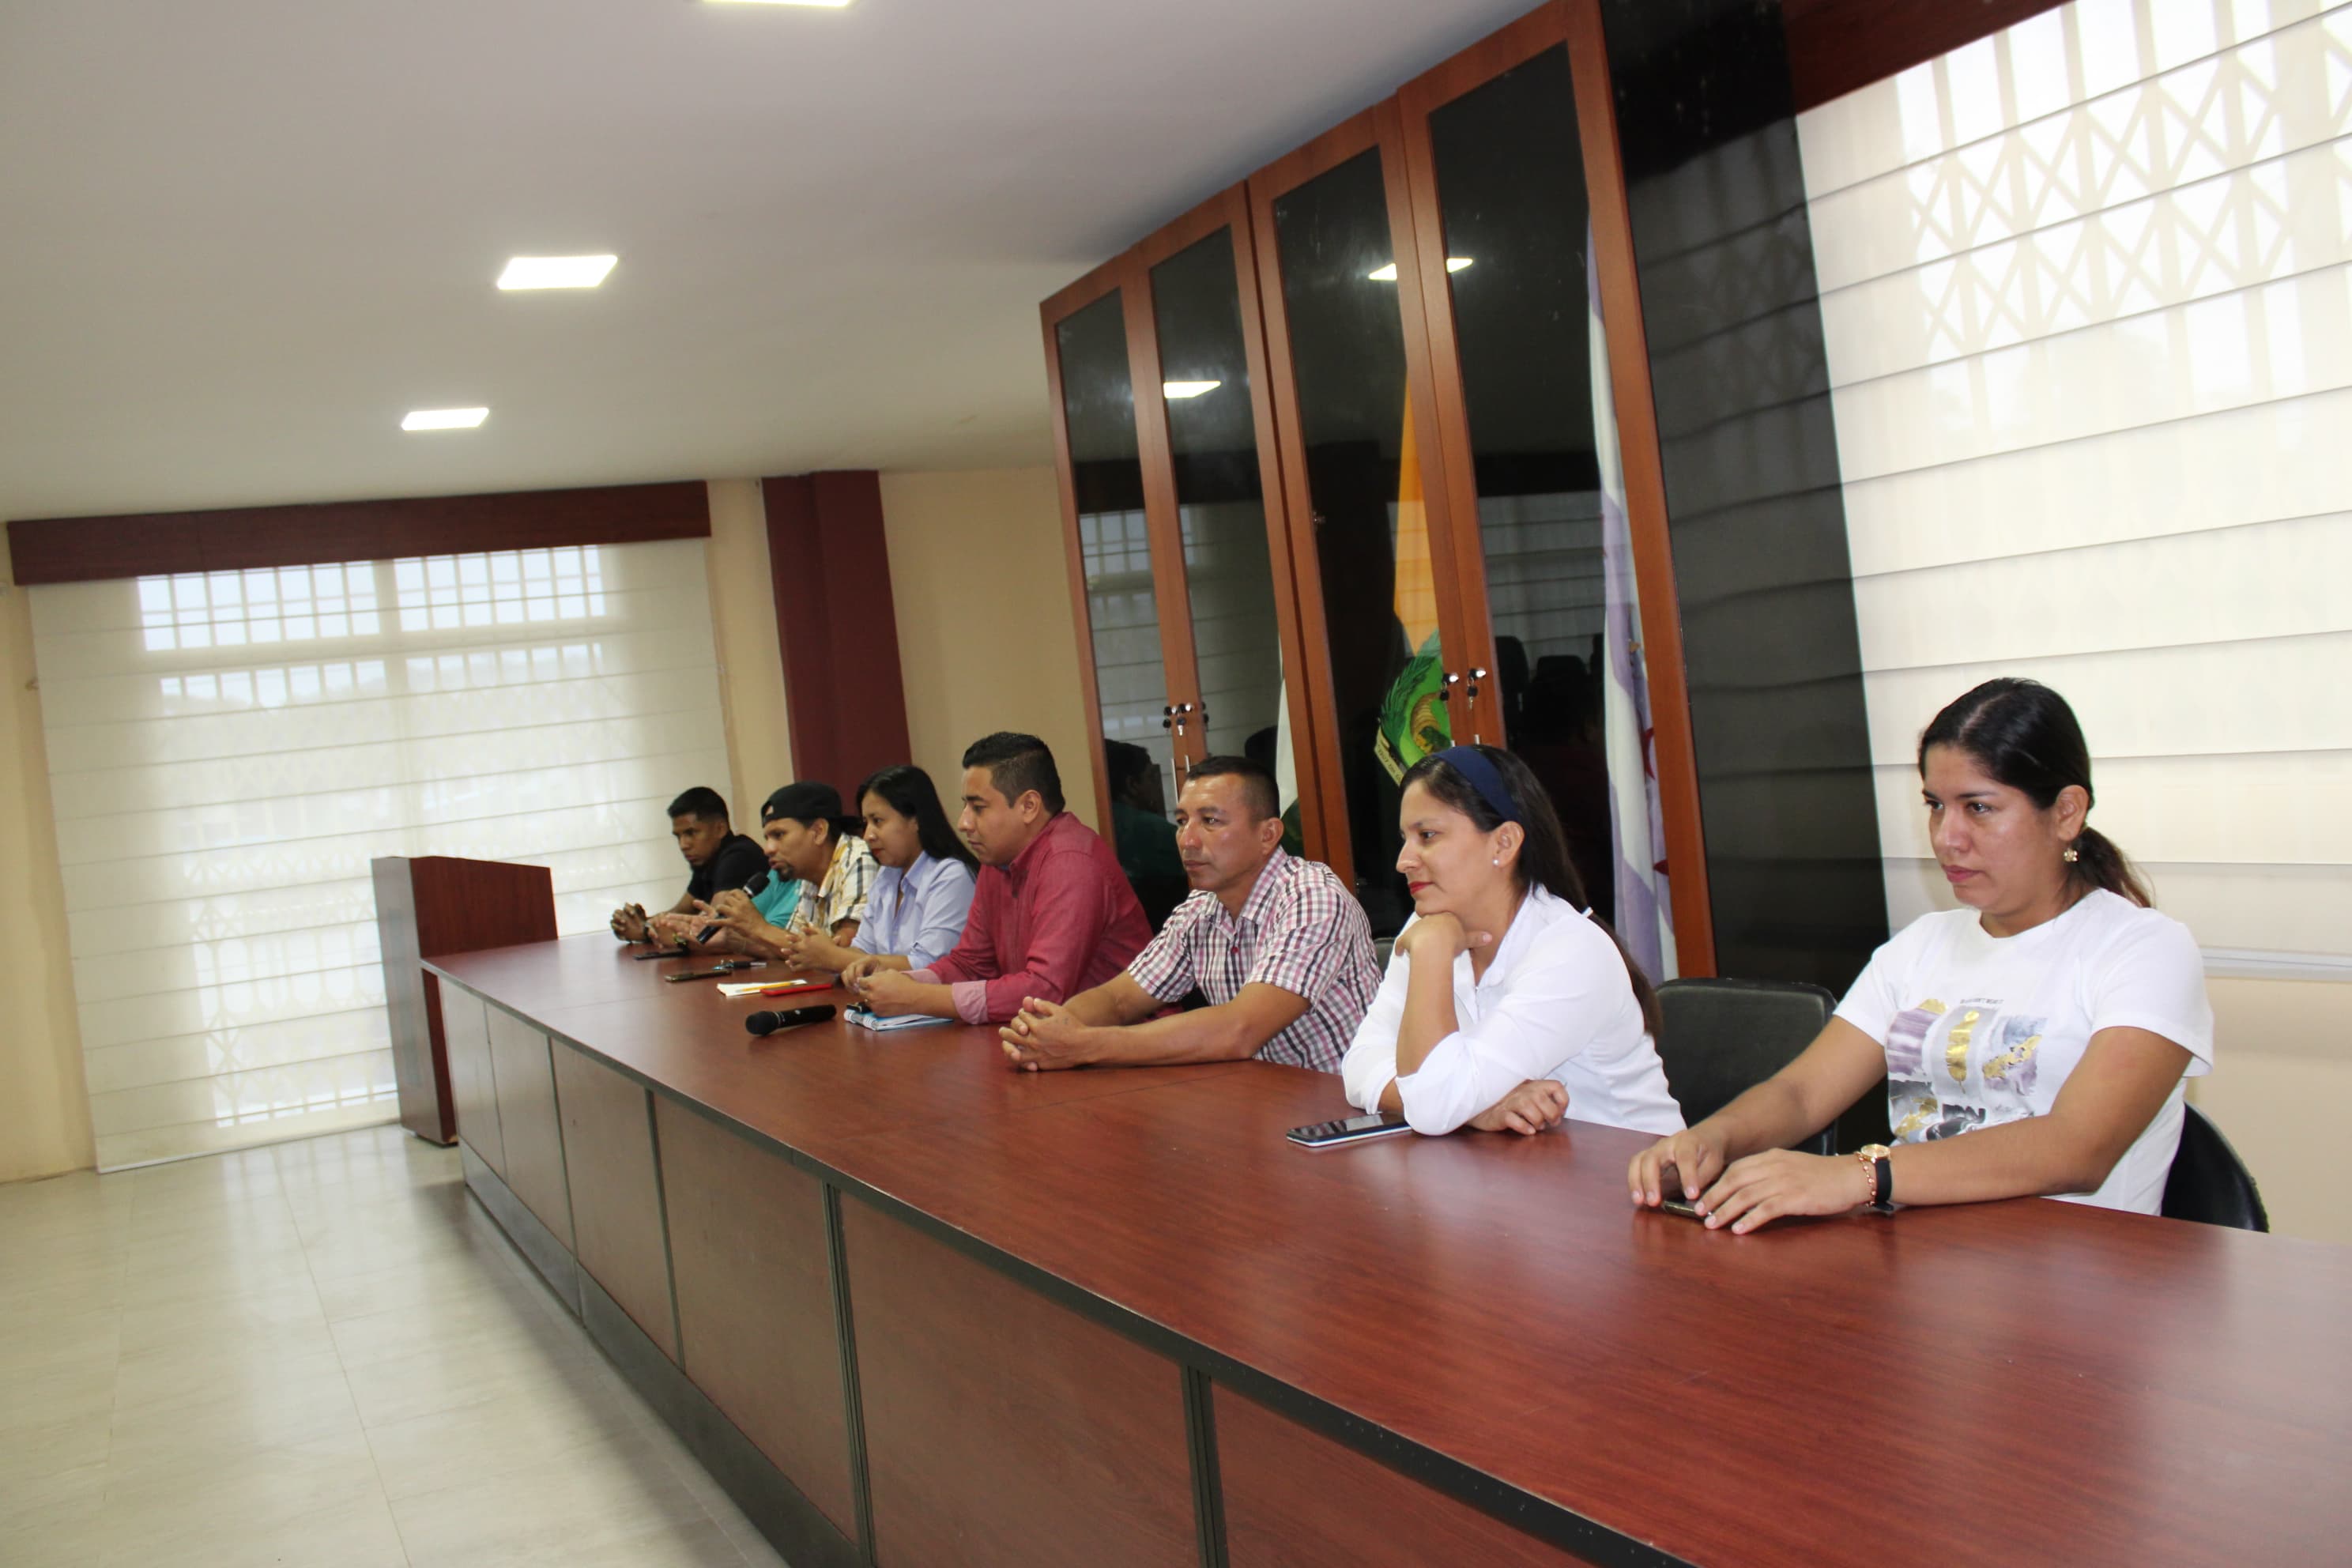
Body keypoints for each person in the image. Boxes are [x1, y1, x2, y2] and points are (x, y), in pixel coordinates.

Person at [1627, 677, 2214, 1232]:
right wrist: (1715, 1138)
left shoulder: (2145, 949)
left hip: (2081, 1278)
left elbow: (2078, 1147)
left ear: (2066, 812)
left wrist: (1861, 1176)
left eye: (1978, 807)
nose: (1946, 837)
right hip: (1921, 1260)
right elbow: (1802, 1094)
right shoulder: (1921, 946)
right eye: (1935, 805)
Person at [1338, 744, 1683, 1137]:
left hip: (1631, 1168)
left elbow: (1432, 1105)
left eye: (1427, 836)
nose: (1404, 861)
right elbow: (1360, 1064)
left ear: (1503, 843)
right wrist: (1477, 1107)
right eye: (1406, 838)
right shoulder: (1430, 925)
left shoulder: (1570, 950)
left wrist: (1456, 1100)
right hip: (1519, 1164)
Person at [999, 756, 1379, 1072]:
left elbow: (1240, 1029)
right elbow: (1119, 999)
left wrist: (1085, 1045)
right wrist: (1051, 1029)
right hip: (1263, 1100)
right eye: (1182, 821)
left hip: (1348, 1109)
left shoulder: (1312, 898)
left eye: (1211, 821)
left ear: (1268, 835)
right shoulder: (1199, 909)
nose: (1188, 840)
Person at [844, 732, 1150, 1023]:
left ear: (1029, 806)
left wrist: (918, 998)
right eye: (965, 806)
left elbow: (1044, 990)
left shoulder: (1071, 862)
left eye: (978, 807)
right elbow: (970, 964)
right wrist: (902, 982)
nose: (964, 822)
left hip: (1122, 1043)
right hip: (1045, 1039)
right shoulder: (997, 860)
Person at [794, 765, 978, 975]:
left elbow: (928, 965)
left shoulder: (950, 876)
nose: (868, 835)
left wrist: (834, 957)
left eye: (878, 821)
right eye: (866, 823)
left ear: (916, 819)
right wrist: (828, 952)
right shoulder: (887, 874)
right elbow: (863, 948)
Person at [693, 782, 877, 966]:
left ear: (818, 831)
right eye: (767, 838)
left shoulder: (858, 859)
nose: (768, 849)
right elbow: (792, 946)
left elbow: (843, 954)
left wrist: (758, 927)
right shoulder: (810, 876)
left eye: (779, 835)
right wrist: (733, 938)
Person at [610, 786, 766, 943]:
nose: (683, 845)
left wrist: (645, 931)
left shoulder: (739, 856)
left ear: (720, 829)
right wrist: (640, 923)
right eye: (678, 836)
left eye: (691, 833)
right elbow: (679, 912)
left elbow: (712, 929)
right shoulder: (707, 859)